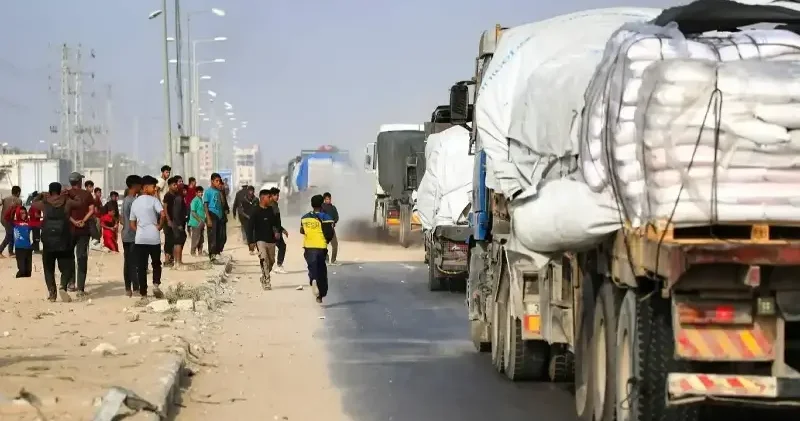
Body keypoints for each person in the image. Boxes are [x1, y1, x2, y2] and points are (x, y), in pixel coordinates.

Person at [32, 182, 79, 302]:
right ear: (59, 191)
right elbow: (80, 202)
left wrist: (41, 195)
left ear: (49, 190)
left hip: (48, 241)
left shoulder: (44, 203)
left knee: (48, 268)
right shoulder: (67, 201)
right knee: (67, 266)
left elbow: (32, 203)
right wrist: (71, 193)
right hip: (63, 240)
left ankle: (52, 294)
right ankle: (63, 285)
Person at [130, 175, 165, 299]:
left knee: (141, 266)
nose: (155, 189)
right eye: (153, 186)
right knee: (156, 263)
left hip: (140, 239)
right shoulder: (154, 200)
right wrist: (159, 226)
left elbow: (132, 223)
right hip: (154, 237)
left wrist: (139, 230)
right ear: (145, 187)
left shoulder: (135, 202)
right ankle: (155, 285)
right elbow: (163, 214)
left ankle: (143, 294)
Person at [300, 194, 335, 304]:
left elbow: (302, 231)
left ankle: (313, 280)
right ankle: (320, 295)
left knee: (312, 267)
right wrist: (327, 241)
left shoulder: (304, 217)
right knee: (321, 270)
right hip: (320, 247)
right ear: (321, 204)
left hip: (308, 247)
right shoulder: (326, 217)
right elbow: (329, 233)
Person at [66, 172, 94, 297]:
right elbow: (92, 210)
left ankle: (71, 283)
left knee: (69, 257)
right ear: (79, 182)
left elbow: (64, 211)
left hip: (69, 229)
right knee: (82, 258)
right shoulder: (87, 194)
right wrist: (83, 220)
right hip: (83, 230)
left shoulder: (66, 194)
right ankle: (81, 289)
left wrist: (73, 221)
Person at [247, 189, 280, 290]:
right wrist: (251, 242)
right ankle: (267, 281)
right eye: (269, 197)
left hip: (271, 240)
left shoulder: (272, 210)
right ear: (263, 198)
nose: (271, 199)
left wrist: (278, 231)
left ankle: (264, 275)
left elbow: (276, 223)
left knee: (271, 261)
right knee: (264, 259)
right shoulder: (255, 211)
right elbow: (250, 227)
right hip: (260, 240)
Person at [121, 175, 141, 297]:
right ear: (135, 186)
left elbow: (123, 219)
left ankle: (128, 288)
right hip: (133, 235)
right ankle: (136, 288)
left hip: (126, 234)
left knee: (128, 262)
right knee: (134, 262)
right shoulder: (134, 201)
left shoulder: (125, 200)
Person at [204, 173, 226, 264]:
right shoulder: (208, 191)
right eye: (216, 181)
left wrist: (222, 191)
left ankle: (217, 253)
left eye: (219, 181)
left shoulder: (218, 192)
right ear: (212, 181)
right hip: (211, 214)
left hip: (219, 216)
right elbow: (205, 205)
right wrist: (208, 218)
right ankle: (212, 255)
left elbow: (223, 203)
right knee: (212, 236)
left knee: (220, 236)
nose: (218, 183)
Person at [0, 186, 22, 257]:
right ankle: (0, 250)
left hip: (3, 219)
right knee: (9, 235)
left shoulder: (6, 199)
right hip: (9, 220)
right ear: (18, 192)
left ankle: (11, 251)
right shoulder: (18, 200)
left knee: (11, 234)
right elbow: (19, 212)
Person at [270, 188, 288, 274]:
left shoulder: (274, 204)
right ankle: (279, 266)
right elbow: (272, 221)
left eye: (278, 195)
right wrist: (276, 231)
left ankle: (273, 267)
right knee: (282, 246)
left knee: (277, 247)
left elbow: (277, 220)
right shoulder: (272, 206)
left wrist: (282, 229)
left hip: (276, 230)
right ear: (271, 195)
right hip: (274, 231)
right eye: (275, 195)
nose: (277, 197)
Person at [171, 182, 188, 269]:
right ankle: (176, 262)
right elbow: (176, 213)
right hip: (178, 224)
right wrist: (179, 224)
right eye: (184, 190)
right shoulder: (179, 199)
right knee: (178, 242)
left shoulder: (182, 198)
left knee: (181, 240)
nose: (186, 192)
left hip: (180, 223)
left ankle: (179, 260)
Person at [13, 207, 33, 278]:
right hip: (19, 248)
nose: (24, 215)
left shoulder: (29, 223)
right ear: (18, 214)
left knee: (28, 272)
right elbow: (6, 217)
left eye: (25, 213)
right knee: (22, 270)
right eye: (21, 213)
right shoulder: (14, 223)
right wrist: (13, 207)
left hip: (28, 248)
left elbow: (38, 225)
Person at [321, 192, 340, 265]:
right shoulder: (321, 208)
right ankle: (326, 259)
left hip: (331, 229)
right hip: (324, 229)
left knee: (335, 244)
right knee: (323, 245)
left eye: (329, 199)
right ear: (324, 200)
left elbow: (336, 217)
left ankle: (333, 260)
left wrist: (334, 222)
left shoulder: (333, 208)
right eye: (327, 199)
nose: (328, 200)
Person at [188, 186, 205, 256]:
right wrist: (199, 220)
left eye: (201, 192)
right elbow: (193, 212)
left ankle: (200, 252)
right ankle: (193, 252)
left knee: (201, 238)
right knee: (196, 238)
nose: (201, 193)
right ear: (196, 193)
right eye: (199, 192)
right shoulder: (194, 200)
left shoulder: (201, 200)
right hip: (196, 222)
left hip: (201, 222)